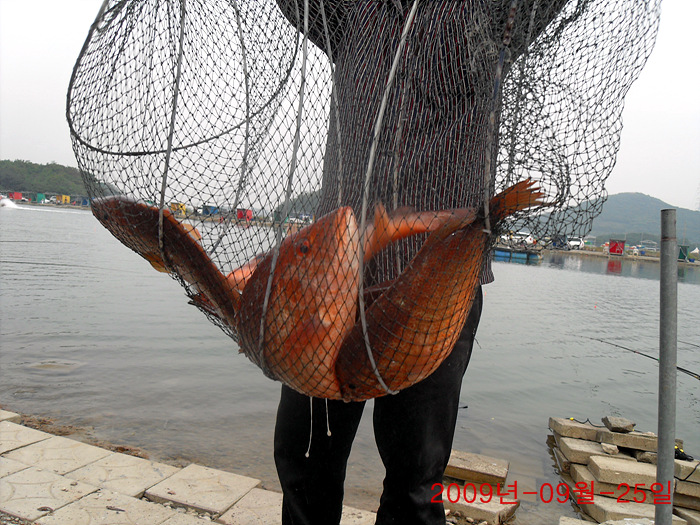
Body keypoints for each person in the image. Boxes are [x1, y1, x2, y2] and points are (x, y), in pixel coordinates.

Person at [272, 2, 568, 524]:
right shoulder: (349, 14)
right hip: (331, 285)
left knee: (415, 482)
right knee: (305, 463)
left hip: (436, 294)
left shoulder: (491, 16)